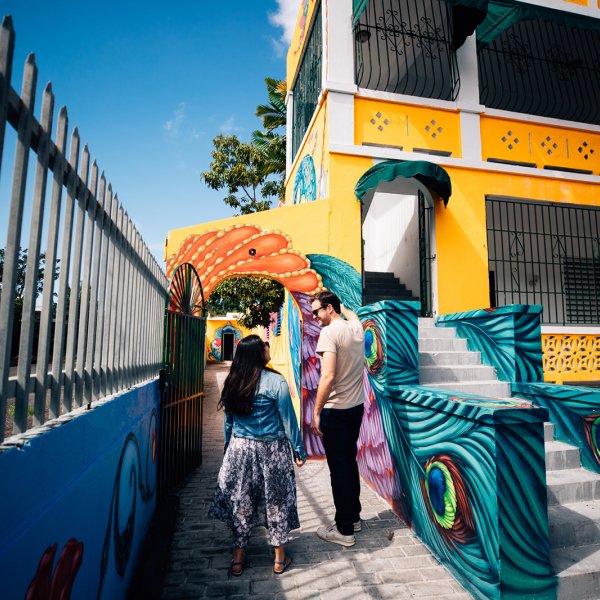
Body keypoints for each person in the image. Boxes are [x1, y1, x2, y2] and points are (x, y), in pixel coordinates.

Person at [209, 335, 306, 576]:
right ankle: (279, 560)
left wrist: (227, 449)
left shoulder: (233, 381)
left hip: (240, 450)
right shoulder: (275, 382)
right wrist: (298, 449)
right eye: (264, 345)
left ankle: (238, 560)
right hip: (271, 450)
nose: (268, 347)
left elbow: (228, 423)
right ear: (257, 353)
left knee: (242, 503)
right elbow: (288, 421)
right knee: (277, 501)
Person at [310, 291, 365, 547]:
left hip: (336, 410)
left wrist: (317, 411)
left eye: (317, 311)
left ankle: (344, 531)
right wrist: (344, 309)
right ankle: (353, 518)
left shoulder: (329, 333)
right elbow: (352, 314)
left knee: (339, 470)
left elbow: (328, 376)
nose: (314, 316)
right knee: (349, 463)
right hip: (356, 409)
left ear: (329, 308)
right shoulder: (355, 328)